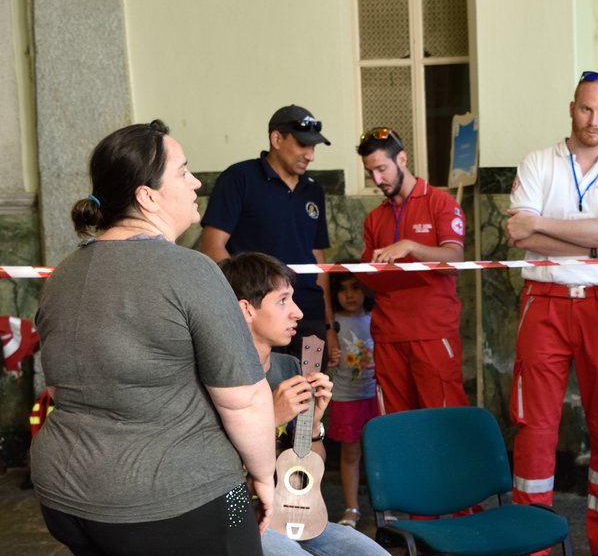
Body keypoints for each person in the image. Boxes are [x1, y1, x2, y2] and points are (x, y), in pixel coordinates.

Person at [33, 121, 274, 556]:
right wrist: (265, 480)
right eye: (184, 172)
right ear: (146, 194)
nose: (196, 183)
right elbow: (244, 396)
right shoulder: (188, 271)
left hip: (72, 497)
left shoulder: (69, 271)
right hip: (184, 492)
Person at [220, 252, 415, 556]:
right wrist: (274, 415)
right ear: (245, 309)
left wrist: (315, 422)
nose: (297, 313)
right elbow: (216, 465)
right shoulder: (219, 371)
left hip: (291, 506)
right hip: (235, 511)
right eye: (283, 301)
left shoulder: (290, 362)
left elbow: (304, 461)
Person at [504, 71, 598, 556]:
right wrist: (591, 247)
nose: (594, 121)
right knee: (535, 428)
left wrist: (547, 228)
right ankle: (530, 546)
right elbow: (520, 235)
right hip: (542, 303)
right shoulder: (538, 162)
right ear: (572, 108)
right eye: (587, 110)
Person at [200, 105, 339, 367]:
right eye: (302, 145)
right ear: (277, 139)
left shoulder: (313, 190)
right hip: (261, 319)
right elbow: (212, 246)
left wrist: (329, 326)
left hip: (309, 319)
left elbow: (319, 259)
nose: (310, 155)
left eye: (313, 147)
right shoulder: (239, 178)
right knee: (261, 395)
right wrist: (247, 303)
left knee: (310, 396)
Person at [356, 127, 469, 412]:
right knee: (396, 425)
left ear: (402, 160)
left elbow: (455, 259)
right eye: (370, 172)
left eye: (382, 169)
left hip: (432, 333)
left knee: (442, 422)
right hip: (387, 335)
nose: (377, 179)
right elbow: (370, 276)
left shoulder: (440, 203)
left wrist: (411, 247)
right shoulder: (374, 218)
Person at [328, 272, 376, 527]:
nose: (349, 295)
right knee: (350, 453)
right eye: (343, 289)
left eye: (355, 288)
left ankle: (385, 505)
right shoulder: (332, 325)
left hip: (374, 397)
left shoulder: (375, 319)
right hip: (346, 398)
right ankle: (352, 507)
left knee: (378, 452)